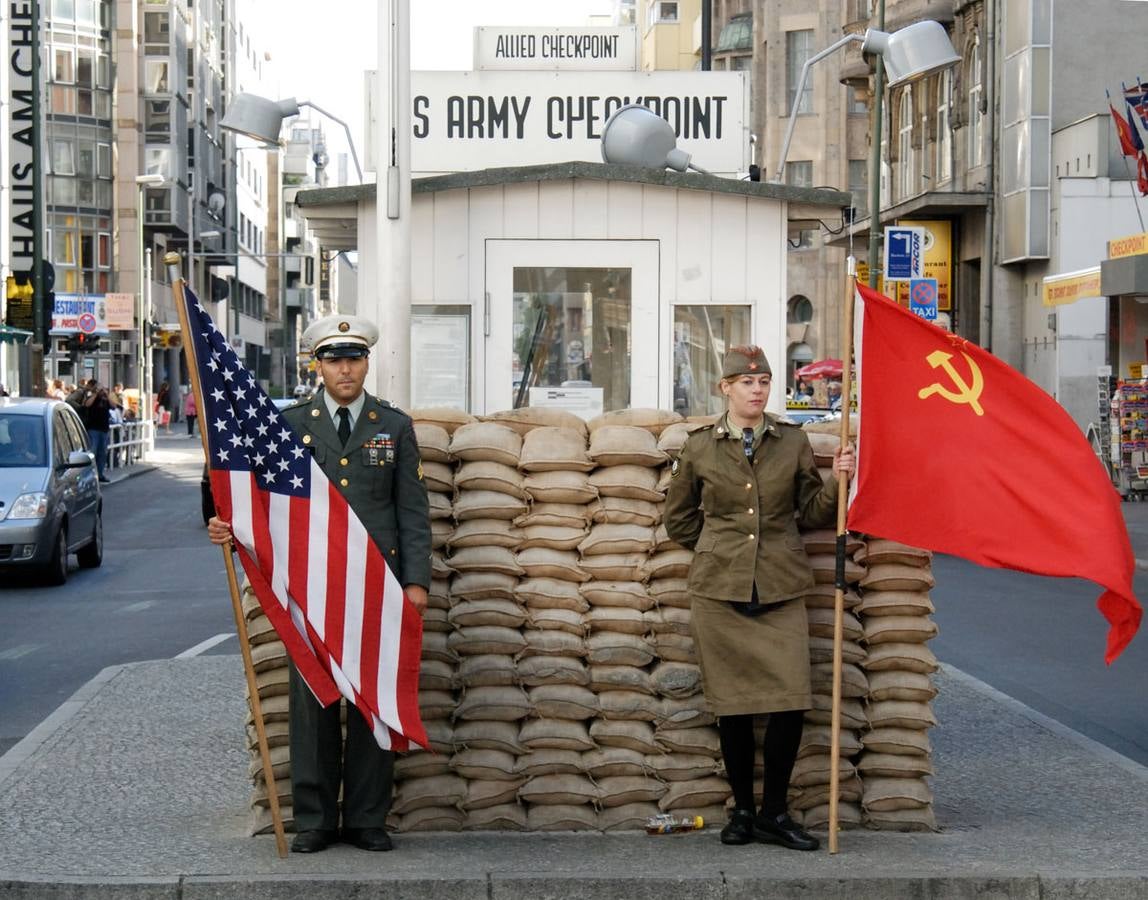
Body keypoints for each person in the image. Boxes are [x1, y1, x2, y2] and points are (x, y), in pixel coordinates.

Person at [207, 313, 431, 855]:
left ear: (367, 363)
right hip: (311, 583)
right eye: (334, 359)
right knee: (314, 704)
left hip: (377, 583)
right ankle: (313, 820)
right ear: (318, 365)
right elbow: (260, 497)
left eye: (354, 358)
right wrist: (227, 526)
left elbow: (412, 510)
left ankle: (366, 818)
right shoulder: (289, 426)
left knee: (374, 702)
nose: (345, 369)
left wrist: (416, 583)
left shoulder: (393, 425)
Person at [664, 345, 855, 852]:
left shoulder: (791, 442)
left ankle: (775, 813)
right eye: (747, 382)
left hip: (780, 586)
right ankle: (743, 813)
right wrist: (718, 550)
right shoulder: (700, 446)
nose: (757, 389)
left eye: (765, 382)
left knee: (791, 702)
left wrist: (840, 479)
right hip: (719, 591)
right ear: (725, 387)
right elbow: (678, 518)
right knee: (734, 710)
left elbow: (813, 511)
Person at [83, 381, 112, 483]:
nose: (101, 391)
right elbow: (87, 404)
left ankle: (100, 474)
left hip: (104, 429)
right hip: (93, 428)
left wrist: (107, 395)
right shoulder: (92, 397)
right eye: (99, 389)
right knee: (93, 452)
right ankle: (89, 475)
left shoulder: (105, 399)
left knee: (102, 453)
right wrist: (95, 394)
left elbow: (114, 406)